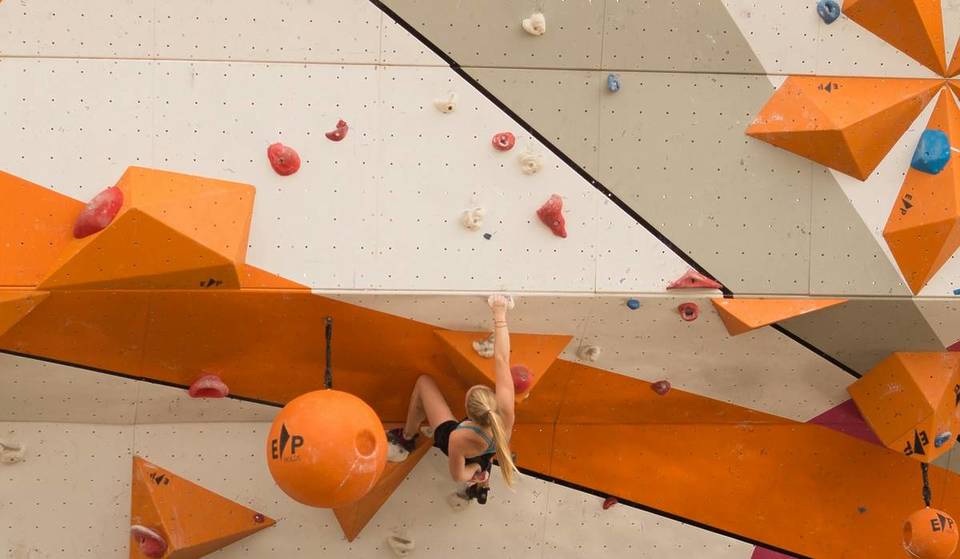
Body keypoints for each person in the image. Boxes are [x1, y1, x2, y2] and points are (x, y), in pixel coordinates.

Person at [387, 294, 517, 490]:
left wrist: (472, 468)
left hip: (456, 444)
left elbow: (457, 475)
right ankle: (482, 476)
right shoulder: (505, 415)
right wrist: (500, 313)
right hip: (483, 452)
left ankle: (406, 437)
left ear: (468, 414)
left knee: (424, 383)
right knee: (480, 460)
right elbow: (502, 359)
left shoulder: (459, 437)